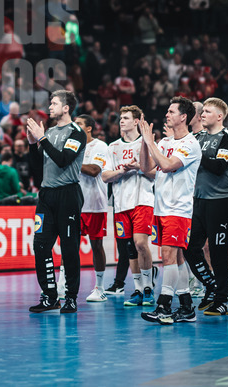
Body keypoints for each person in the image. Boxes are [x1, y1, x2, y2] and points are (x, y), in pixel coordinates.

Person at [138, 96, 202, 324]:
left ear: (183, 117)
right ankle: (186, 307)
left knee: (168, 256)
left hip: (179, 209)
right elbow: (146, 168)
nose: (167, 114)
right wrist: (145, 142)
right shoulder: (165, 142)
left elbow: (166, 165)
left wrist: (151, 142)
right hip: (162, 208)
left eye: (171, 111)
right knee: (177, 258)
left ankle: (164, 307)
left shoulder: (190, 144)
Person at [25, 90, 87, 314]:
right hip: (46, 195)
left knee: (69, 249)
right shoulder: (49, 132)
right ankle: (50, 296)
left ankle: (70, 297)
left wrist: (42, 139)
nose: (50, 107)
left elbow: (63, 160)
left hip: (68, 195)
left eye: (54, 103)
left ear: (66, 108)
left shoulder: (77, 133)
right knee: (40, 245)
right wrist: (32, 143)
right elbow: (37, 170)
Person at [182, 97, 228, 316]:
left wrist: (196, 154)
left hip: (222, 201)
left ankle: (221, 299)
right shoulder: (196, 138)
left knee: (219, 253)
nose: (202, 115)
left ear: (219, 116)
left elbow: (218, 166)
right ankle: (210, 284)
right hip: (199, 200)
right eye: (202, 111)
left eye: (207, 111)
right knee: (190, 248)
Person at [102, 105, 154, 308]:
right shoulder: (112, 147)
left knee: (140, 243)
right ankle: (139, 289)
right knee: (129, 247)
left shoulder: (146, 142)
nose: (121, 121)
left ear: (136, 121)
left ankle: (148, 287)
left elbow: (156, 173)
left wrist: (139, 167)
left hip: (142, 200)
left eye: (126, 118)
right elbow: (105, 176)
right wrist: (122, 171)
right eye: (120, 118)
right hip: (121, 203)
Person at [60, 114, 108, 303]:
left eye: (79, 124)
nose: (75, 126)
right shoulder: (71, 145)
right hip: (73, 203)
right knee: (68, 244)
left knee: (96, 245)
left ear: (89, 128)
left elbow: (94, 170)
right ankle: (62, 284)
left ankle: (100, 288)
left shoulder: (100, 146)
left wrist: (70, 160)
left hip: (95, 203)